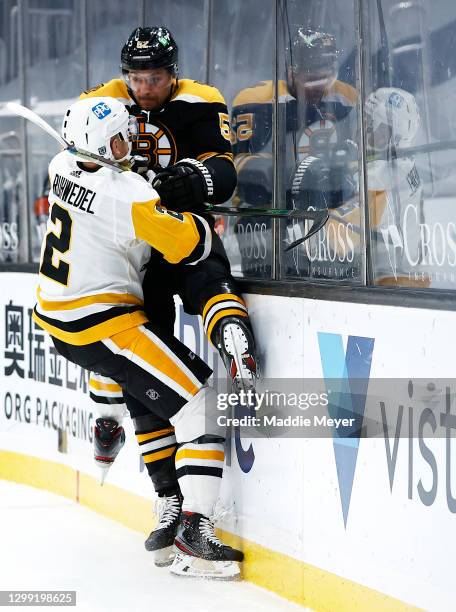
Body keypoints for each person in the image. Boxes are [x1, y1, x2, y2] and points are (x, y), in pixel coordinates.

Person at [33, 96, 243, 580]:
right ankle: (195, 532)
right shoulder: (126, 193)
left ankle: (150, 476)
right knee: (200, 403)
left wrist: (141, 189)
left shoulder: (60, 163)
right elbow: (194, 244)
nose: (132, 144)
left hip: (60, 320)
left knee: (147, 392)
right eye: (124, 138)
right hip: (104, 324)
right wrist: (171, 204)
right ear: (105, 144)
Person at [78, 26, 259, 565]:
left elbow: (225, 171)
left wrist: (194, 178)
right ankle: (169, 500)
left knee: (206, 276)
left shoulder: (201, 101)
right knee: (144, 380)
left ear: (172, 72)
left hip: (181, 230)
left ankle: (234, 343)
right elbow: (79, 149)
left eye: (154, 77)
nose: (144, 87)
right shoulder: (103, 99)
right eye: (135, 77)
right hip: (132, 253)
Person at [230, 27, 357, 278]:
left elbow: (358, 161)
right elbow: (239, 166)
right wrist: (299, 174)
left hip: (328, 219)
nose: (318, 88)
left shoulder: (346, 98)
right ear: (291, 70)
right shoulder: (258, 100)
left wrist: (345, 168)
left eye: (326, 78)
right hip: (267, 219)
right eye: (310, 80)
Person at [323, 87, 426, 286]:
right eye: (366, 122)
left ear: (397, 139)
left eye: (378, 128)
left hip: (391, 285)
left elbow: (337, 239)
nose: (366, 131)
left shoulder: (387, 175)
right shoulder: (397, 163)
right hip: (390, 277)